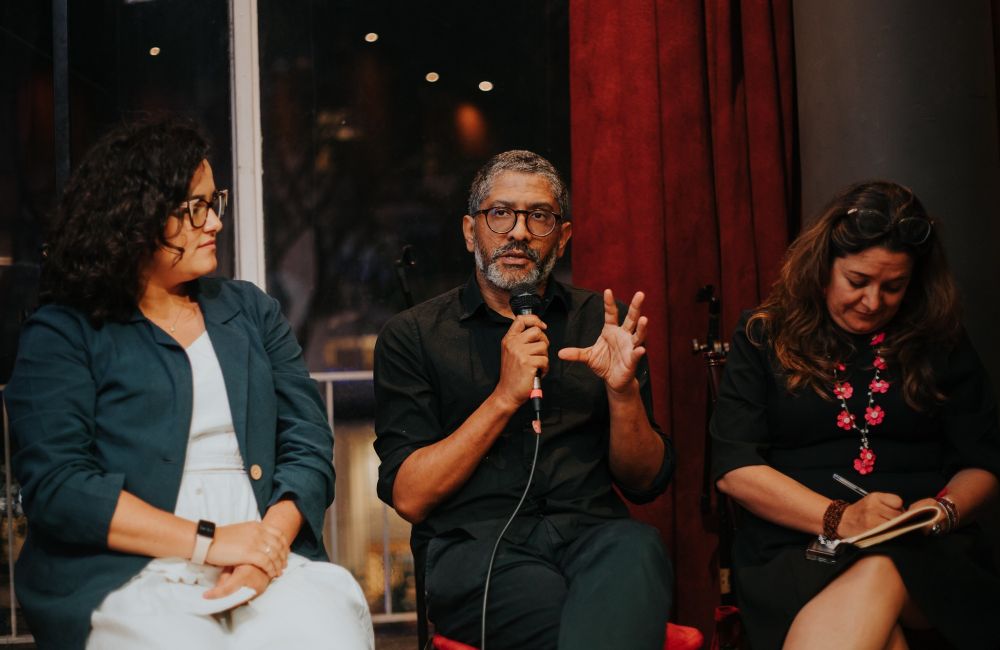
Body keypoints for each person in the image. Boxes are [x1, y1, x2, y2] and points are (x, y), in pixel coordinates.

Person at [3, 117, 374, 650]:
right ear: (135, 216)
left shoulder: (251, 312)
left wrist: (266, 548)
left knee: (322, 634)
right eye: (194, 207)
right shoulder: (64, 332)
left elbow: (309, 445)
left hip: (265, 556)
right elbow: (60, 487)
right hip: (129, 571)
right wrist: (212, 542)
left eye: (213, 202)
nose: (215, 222)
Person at [373, 150, 674, 649]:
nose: (518, 232)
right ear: (470, 231)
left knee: (639, 545)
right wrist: (503, 397)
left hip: (595, 536)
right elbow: (410, 497)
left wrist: (623, 394)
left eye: (538, 216)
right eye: (500, 214)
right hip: (478, 549)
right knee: (577, 624)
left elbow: (645, 481)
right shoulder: (414, 336)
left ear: (563, 236)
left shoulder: (600, 322)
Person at [711, 180, 1000, 649]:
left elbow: (983, 462)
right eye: (858, 281)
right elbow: (735, 469)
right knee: (881, 615)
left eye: (894, 286)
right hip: (797, 545)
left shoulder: (940, 339)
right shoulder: (764, 334)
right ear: (822, 266)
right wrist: (840, 518)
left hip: (927, 546)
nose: (872, 302)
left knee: (886, 561)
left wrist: (943, 511)